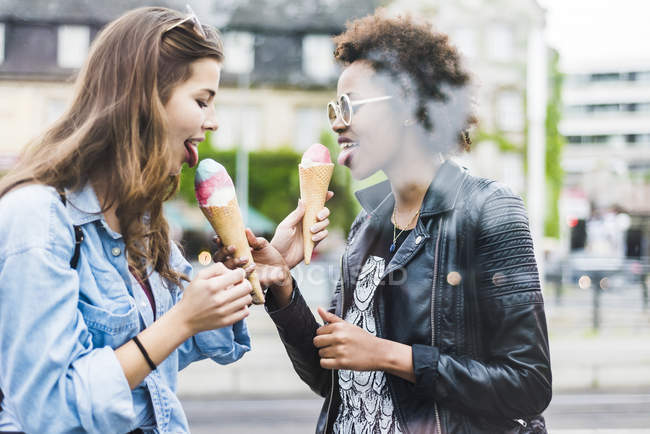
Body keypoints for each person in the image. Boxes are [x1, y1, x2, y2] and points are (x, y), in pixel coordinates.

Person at [0, 6, 330, 433]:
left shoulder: (142, 225)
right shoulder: (38, 219)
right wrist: (182, 320)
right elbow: (49, 409)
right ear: (144, 100)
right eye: (201, 101)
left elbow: (182, 343)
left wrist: (254, 274)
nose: (212, 122)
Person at [243, 10, 552, 434]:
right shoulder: (366, 228)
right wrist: (282, 287)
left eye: (349, 105)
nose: (336, 121)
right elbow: (334, 379)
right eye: (334, 107)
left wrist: (393, 356)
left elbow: (529, 385)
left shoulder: (490, 209)